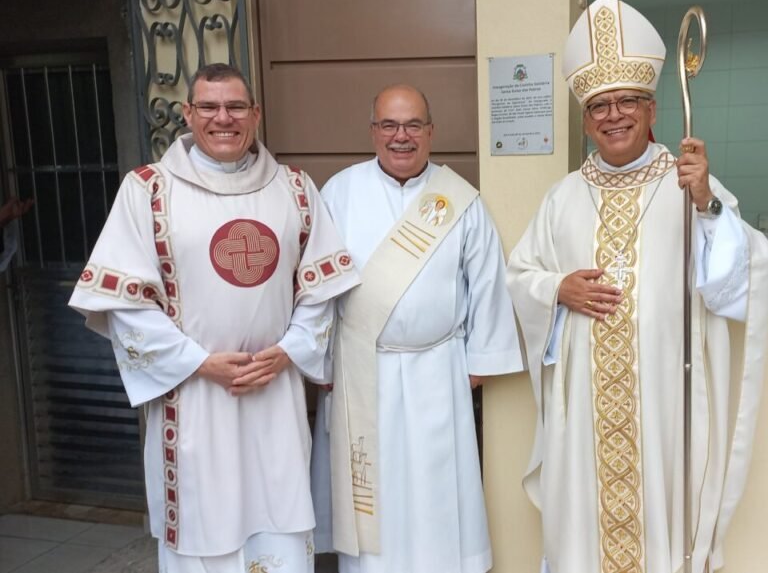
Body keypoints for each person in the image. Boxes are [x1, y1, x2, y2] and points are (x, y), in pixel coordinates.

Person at [505, 0, 768, 572]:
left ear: (652, 109)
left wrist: (707, 204)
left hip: (663, 400)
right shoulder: (563, 197)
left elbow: (741, 276)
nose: (613, 115)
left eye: (627, 101)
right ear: (584, 120)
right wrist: (557, 289)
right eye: (599, 105)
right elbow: (520, 275)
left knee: (661, 519)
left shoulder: (687, 184)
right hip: (584, 406)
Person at [68, 63, 359, 573]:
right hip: (194, 396)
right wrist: (200, 363)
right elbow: (124, 303)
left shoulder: (294, 188)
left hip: (274, 394)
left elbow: (323, 288)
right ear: (188, 114)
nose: (223, 118)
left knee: (280, 522)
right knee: (205, 528)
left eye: (235, 107)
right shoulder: (148, 191)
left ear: (256, 114)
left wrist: (288, 351)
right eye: (209, 106)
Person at [313, 84, 523, 573]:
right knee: (375, 494)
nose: (400, 136)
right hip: (362, 371)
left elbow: (487, 279)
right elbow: (317, 285)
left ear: (431, 131)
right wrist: (321, 361)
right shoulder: (339, 193)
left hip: (437, 369)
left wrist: (478, 362)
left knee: (436, 489)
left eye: (412, 125)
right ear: (373, 131)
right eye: (389, 124)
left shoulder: (460, 200)